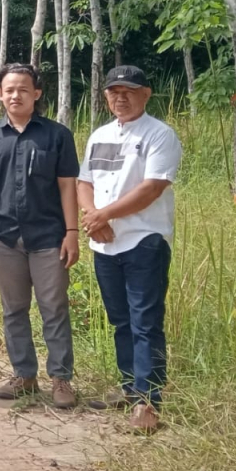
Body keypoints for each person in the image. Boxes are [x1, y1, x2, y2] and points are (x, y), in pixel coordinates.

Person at [0, 63, 81, 409]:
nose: (15, 95)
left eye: (23, 89)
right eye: (9, 90)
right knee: (14, 309)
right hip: (3, 237)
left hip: (48, 237)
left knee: (54, 308)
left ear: (37, 94)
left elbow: (67, 186)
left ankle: (60, 379)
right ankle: (24, 375)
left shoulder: (57, 135)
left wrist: (72, 232)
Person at [78, 65, 182, 432]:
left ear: (146, 94)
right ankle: (128, 388)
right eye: (113, 91)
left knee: (145, 322)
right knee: (120, 320)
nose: (120, 98)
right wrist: (94, 217)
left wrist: (103, 214)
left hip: (144, 241)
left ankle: (148, 402)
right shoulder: (100, 135)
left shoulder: (160, 135)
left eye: (129, 91)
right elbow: (84, 182)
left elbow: (152, 188)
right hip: (105, 244)